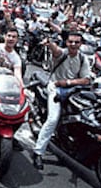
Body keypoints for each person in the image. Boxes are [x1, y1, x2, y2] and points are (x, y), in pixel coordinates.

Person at [33, 31, 91, 170]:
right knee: (53, 119)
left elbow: (86, 79)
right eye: (71, 41)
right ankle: (38, 152)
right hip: (55, 87)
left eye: (76, 42)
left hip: (73, 90)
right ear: (66, 42)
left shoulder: (83, 58)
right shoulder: (62, 54)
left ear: (81, 44)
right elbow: (55, 50)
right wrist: (49, 42)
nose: (73, 44)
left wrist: (69, 82)